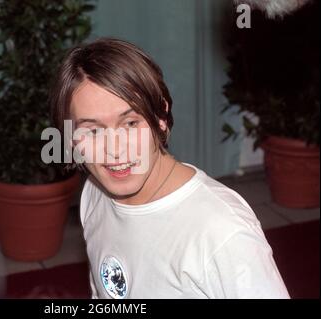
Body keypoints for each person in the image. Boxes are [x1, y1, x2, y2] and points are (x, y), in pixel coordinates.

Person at [49, 38, 290, 299]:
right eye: (93, 131)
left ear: (161, 117)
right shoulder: (94, 195)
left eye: (130, 124)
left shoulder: (222, 231)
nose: (115, 150)